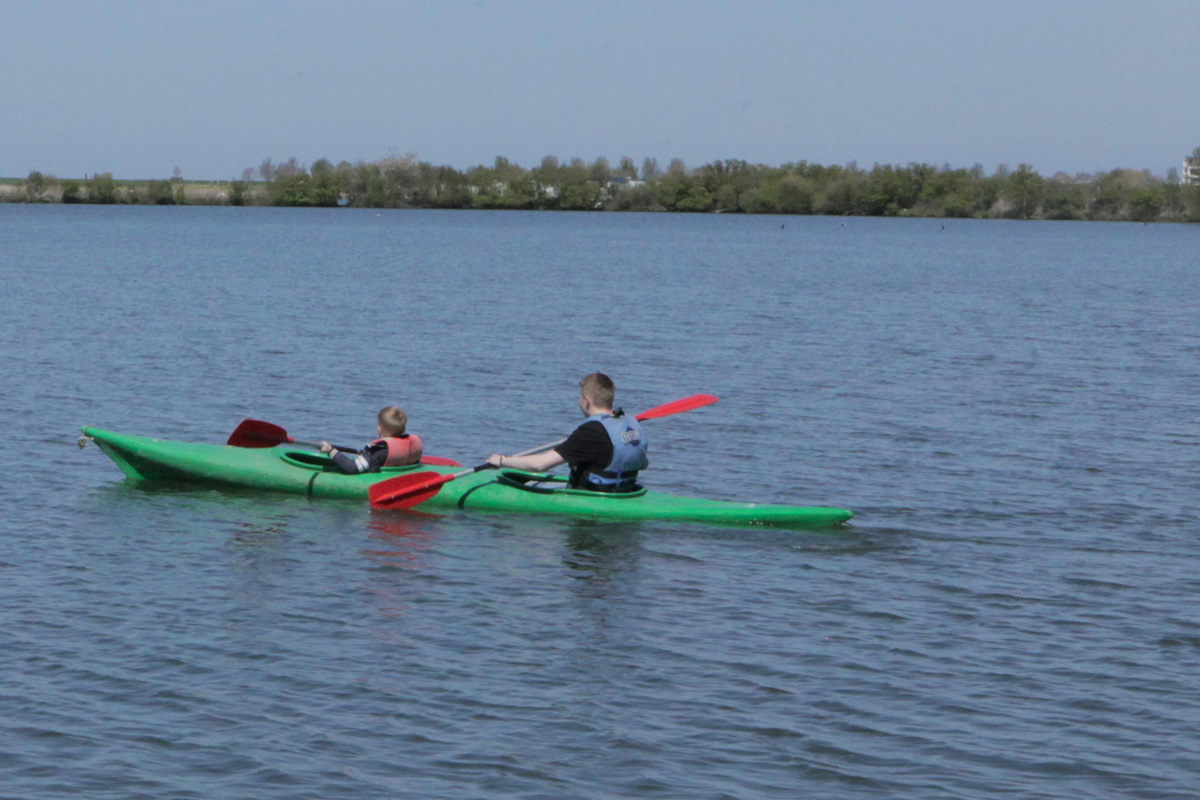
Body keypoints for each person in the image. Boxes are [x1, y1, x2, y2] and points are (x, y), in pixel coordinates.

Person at [487, 373, 648, 492]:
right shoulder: (630, 423)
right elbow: (643, 463)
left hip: (591, 496)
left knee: (523, 483)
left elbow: (539, 465)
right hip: (625, 492)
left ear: (587, 401)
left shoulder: (591, 431)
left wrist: (502, 460)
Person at [319, 406, 423, 474]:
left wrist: (331, 451)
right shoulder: (412, 445)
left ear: (379, 429)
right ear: (403, 428)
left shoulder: (378, 452)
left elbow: (352, 467)